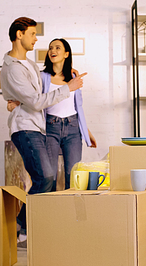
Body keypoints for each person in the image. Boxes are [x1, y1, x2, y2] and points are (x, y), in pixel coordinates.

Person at [1, 17, 86, 241]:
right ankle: (20, 224)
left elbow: (35, 94)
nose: (36, 39)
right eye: (32, 34)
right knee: (47, 176)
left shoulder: (27, 64)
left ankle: (30, 227)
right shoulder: (13, 69)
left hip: (40, 127)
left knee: (53, 179)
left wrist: (17, 100)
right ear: (19, 35)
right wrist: (67, 87)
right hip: (27, 127)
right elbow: (37, 101)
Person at [42, 38, 97, 190]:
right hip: (50, 127)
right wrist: (15, 102)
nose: (53, 51)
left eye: (57, 48)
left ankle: (70, 211)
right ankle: (49, 211)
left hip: (73, 128)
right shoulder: (42, 77)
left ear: (66, 54)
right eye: (51, 48)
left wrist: (86, 131)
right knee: (49, 176)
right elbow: (34, 99)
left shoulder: (74, 78)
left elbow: (78, 107)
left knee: (73, 176)